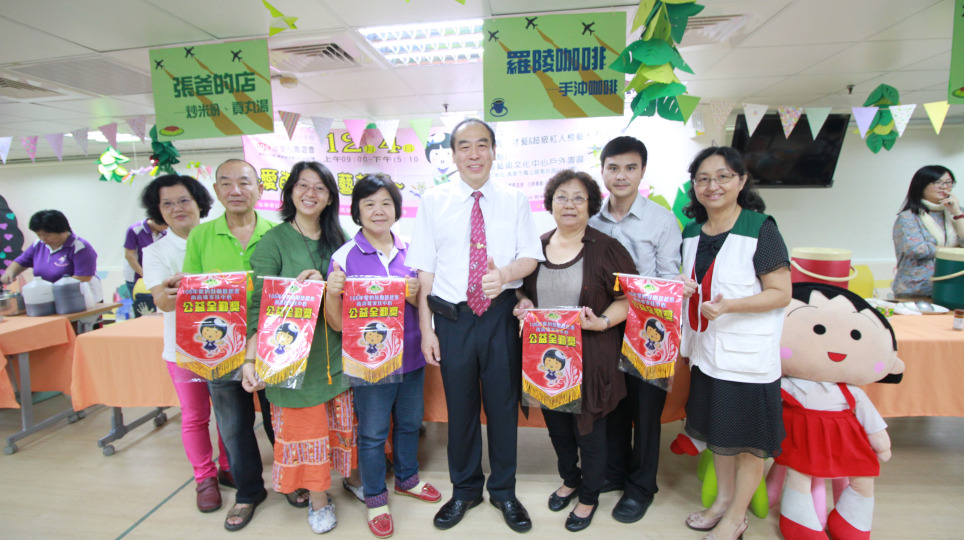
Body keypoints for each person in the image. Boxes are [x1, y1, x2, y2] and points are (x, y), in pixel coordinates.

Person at [407, 118, 544, 533]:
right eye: (464, 146)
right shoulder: (433, 201)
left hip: (501, 316)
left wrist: (504, 275)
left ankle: (503, 491)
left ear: (494, 151)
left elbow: (530, 257)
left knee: (503, 409)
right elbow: (425, 270)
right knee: (461, 410)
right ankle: (465, 490)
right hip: (453, 320)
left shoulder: (514, 200)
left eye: (482, 145)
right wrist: (427, 330)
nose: (473, 154)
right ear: (452, 155)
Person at [512, 169, 636, 532]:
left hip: (592, 358)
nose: (569, 204)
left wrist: (602, 322)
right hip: (547, 361)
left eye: (579, 198)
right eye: (562, 197)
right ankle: (569, 479)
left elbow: (628, 299)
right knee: (558, 430)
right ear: (550, 204)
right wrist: (522, 302)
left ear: (591, 206)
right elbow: (522, 291)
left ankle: (589, 496)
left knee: (590, 433)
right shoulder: (535, 248)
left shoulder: (607, 248)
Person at [678, 147, 791, 540]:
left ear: (741, 181)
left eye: (723, 176)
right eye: (703, 178)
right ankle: (722, 501)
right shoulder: (691, 232)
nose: (713, 185)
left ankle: (736, 516)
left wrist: (731, 306)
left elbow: (780, 293)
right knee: (719, 437)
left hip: (747, 361)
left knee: (747, 444)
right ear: (694, 186)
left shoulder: (760, 229)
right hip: (706, 355)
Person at [240, 160, 357, 535]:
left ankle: (349, 479)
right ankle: (318, 499)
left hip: (336, 355)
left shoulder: (340, 240)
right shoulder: (273, 242)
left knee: (340, 427)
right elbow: (257, 306)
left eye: (320, 188)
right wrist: (249, 358)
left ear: (330, 198)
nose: (310, 193)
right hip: (291, 361)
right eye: (303, 185)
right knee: (307, 434)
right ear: (290, 191)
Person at [326, 174, 441, 538]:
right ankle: (375, 497)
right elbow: (336, 323)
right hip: (369, 363)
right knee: (374, 433)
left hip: (411, 356)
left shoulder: (413, 250)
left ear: (397, 209)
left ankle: (407, 478)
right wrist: (331, 292)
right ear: (357, 211)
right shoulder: (343, 256)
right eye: (369, 204)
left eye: (386, 203)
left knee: (409, 423)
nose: (379, 211)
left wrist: (413, 296)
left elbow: (426, 304)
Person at [587, 135, 682, 523]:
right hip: (605, 328)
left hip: (650, 332)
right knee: (611, 404)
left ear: (642, 171)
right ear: (603, 171)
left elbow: (669, 279)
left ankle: (641, 487)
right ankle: (615, 472)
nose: (621, 175)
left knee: (645, 412)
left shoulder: (662, 220)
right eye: (613, 168)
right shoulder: (591, 220)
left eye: (630, 168)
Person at [181, 159, 276, 531]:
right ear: (217, 190)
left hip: (272, 346)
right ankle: (249, 493)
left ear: (259, 189)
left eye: (244, 182)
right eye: (226, 183)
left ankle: (292, 482)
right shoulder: (201, 236)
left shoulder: (277, 232)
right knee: (234, 427)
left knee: (279, 421)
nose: (235, 190)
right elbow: (192, 295)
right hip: (220, 349)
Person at [141, 174, 234, 514]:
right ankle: (204, 478)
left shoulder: (217, 239)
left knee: (228, 413)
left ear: (199, 203)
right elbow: (162, 302)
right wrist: (177, 291)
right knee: (195, 416)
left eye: (183, 200)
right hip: (182, 351)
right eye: (167, 203)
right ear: (158, 210)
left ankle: (229, 466)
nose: (177, 208)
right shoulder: (155, 252)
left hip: (227, 346)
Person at [892, 165, 962, 298]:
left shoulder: (957, 213)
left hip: (952, 288)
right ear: (921, 185)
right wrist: (954, 250)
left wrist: (958, 213)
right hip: (916, 289)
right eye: (937, 182)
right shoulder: (909, 217)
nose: (944, 187)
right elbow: (917, 249)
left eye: (948, 182)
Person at [2, 209, 97, 285]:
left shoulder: (80, 247)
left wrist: (51, 289)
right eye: (39, 235)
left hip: (80, 297)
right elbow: (21, 262)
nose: (43, 238)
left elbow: (83, 278)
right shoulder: (38, 244)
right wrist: (10, 273)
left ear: (62, 231)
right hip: (49, 296)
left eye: (46, 235)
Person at [123, 217, 167, 296]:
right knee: (141, 302)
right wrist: (145, 275)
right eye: (165, 225)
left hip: (157, 277)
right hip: (136, 277)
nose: (167, 228)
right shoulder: (135, 230)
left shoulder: (165, 232)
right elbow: (129, 256)